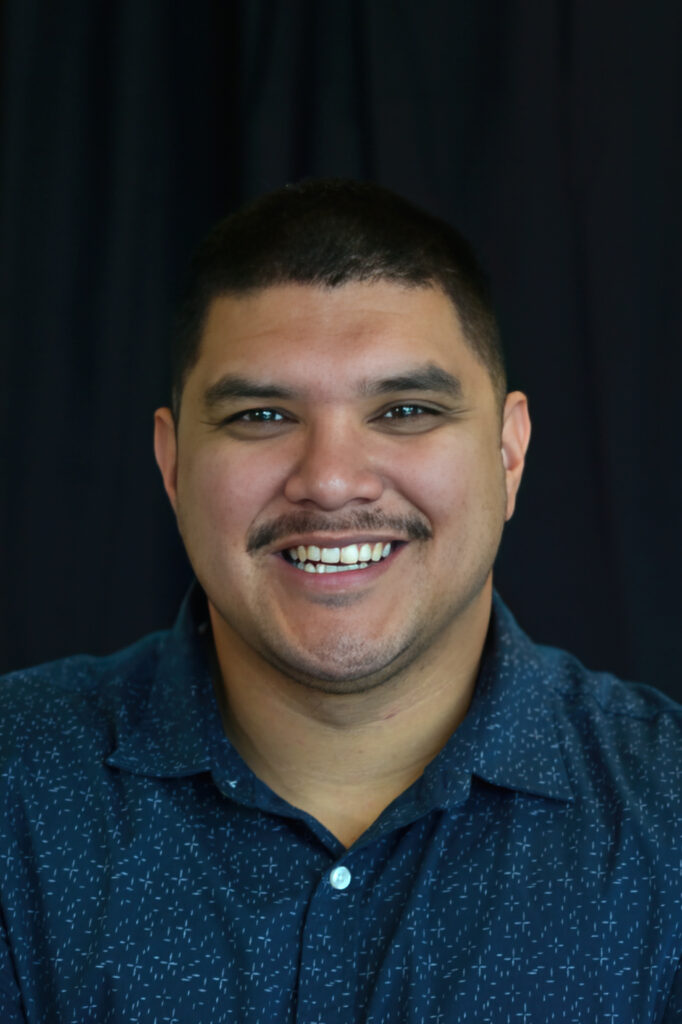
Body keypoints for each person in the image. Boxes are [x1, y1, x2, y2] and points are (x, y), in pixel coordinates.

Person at [1, 179, 681, 1023]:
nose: (329, 481)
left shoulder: (668, 813)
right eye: (259, 414)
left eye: (404, 409)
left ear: (509, 455)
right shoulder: (15, 789)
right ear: (173, 466)